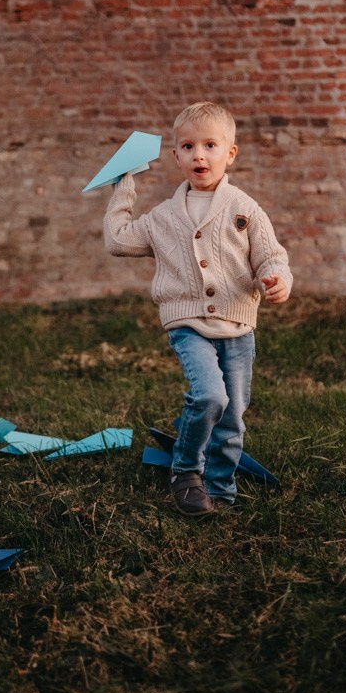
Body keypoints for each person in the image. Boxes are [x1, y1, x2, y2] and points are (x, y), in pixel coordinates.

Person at [103, 101, 292, 517]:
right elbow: (118, 239)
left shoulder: (245, 209)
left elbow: (270, 256)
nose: (199, 155)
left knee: (232, 415)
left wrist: (277, 278)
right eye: (188, 147)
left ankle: (220, 492)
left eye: (210, 145)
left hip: (238, 324)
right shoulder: (163, 217)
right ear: (176, 157)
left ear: (231, 153)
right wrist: (124, 186)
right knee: (209, 396)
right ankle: (186, 470)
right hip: (188, 323)